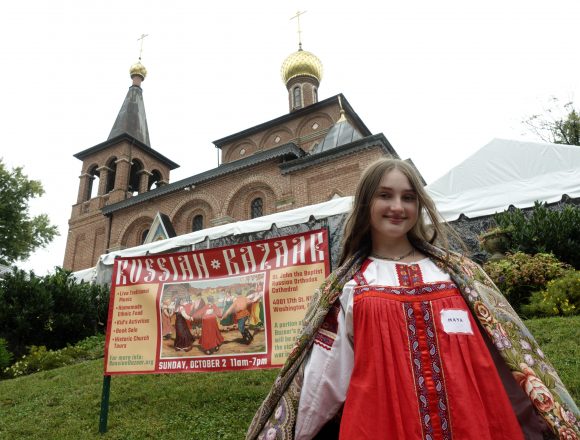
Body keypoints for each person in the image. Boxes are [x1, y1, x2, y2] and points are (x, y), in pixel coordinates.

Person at [246, 158, 579, 440]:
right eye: (385, 195)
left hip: (475, 420)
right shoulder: (349, 287)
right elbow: (323, 376)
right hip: (381, 423)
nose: (397, 207)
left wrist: (539, 422)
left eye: (408, 197)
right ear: (366, 204)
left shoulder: (459, 275)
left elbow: (505, 355)